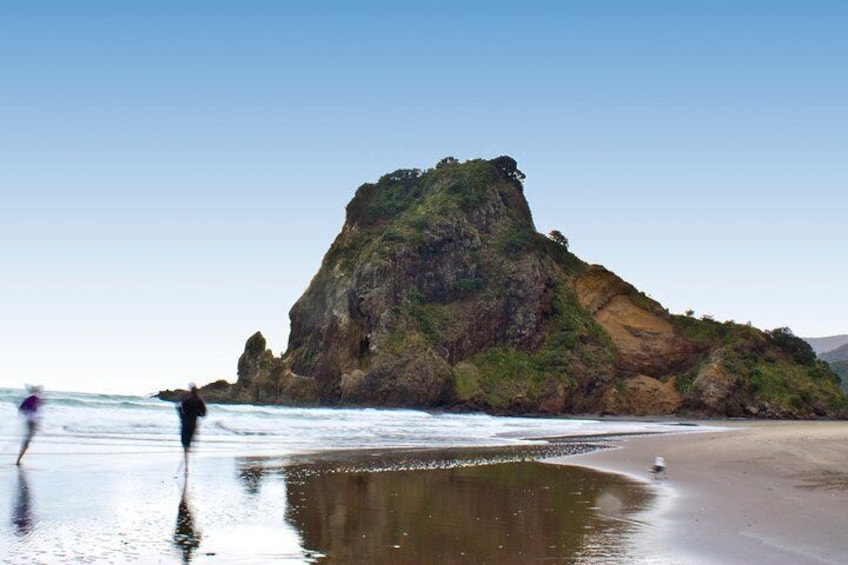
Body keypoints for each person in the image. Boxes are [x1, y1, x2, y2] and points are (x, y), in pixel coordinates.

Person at [177, 384, 207, 474]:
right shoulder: (199, 400)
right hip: (193, 424)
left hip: (185, 424)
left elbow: (181, 411)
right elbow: (204, 413)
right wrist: (196, 413)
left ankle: (186, 464)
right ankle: (187, 463)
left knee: (185, 444)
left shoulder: (186, 401)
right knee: (189, 443)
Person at [16, 385, 42, 466]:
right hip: (31, 422)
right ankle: (18, 461)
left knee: (26, 442)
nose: (40, 392)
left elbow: (20, 409)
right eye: (39, 391)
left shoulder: (29, 398)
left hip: (28, 421)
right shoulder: (35, 398)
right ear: (37, 391)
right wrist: (34, 421)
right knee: (26, 443)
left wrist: (27, 414)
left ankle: (18, 460)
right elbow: (34, 412)